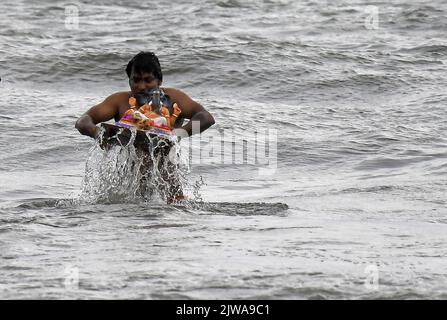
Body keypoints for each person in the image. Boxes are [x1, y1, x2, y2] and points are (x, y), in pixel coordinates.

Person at [75, 51, 215, 202]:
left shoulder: (174, 99)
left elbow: (206, 118)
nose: (141, 86)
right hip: (129, 186)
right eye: (136, 80)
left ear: (159, 81)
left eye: (148, 80)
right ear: (129, 81)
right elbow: (83, 121)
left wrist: (178, 134)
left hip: (167, 182)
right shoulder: (120, 101)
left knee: (176, 210)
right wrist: (97, 134)